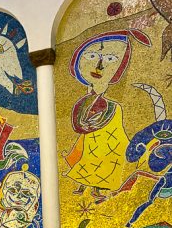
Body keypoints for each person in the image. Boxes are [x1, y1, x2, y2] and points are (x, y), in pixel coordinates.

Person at [64, 29, 151, 203]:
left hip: (105, 141)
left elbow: (117, 129)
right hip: (90, 139)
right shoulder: (85, 100)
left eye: (110, 59)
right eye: (92, 56)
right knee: (88, 159)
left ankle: (96, 188)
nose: (99, 67)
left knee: (104, 160)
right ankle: (83, 185)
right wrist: (86, 125)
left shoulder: (113, 107)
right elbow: (77, 119)